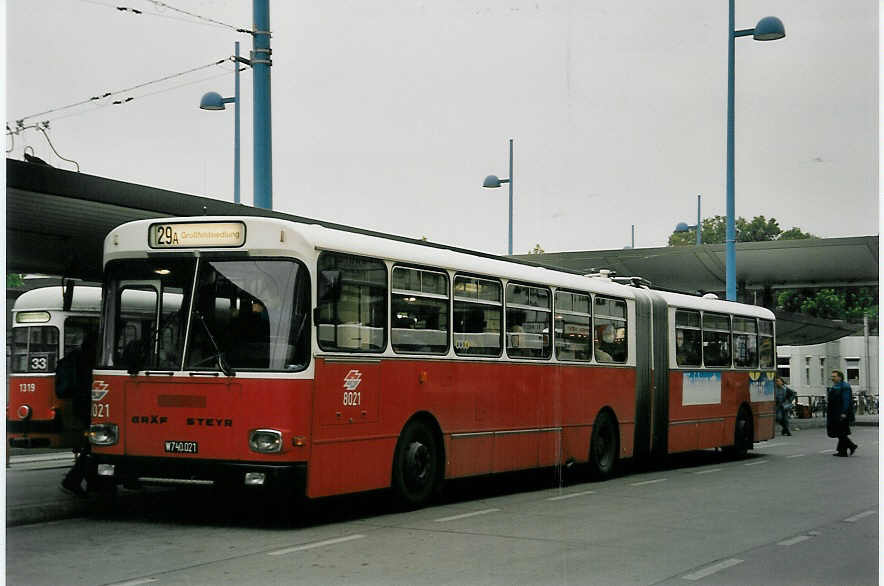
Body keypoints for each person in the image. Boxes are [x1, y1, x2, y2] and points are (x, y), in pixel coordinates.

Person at [57, 332, 97, 496]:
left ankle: (92, 483)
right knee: (93, 444)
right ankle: (73, 480)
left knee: (91, 443)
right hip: (90, 408)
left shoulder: (74, 357)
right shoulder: (89, 360)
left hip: (80, 408)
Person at [826, 370, 857, 457]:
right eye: (832, 376)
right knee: (840, 431)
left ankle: (850, 447)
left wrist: (844, 412)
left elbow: (846, 400)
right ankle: (843, 451)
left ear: (840, 377)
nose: (832, 378)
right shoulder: (836, 386)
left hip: (841, 412)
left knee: (841, 432)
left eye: (834, 376)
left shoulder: (845, 386)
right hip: (835, 412)